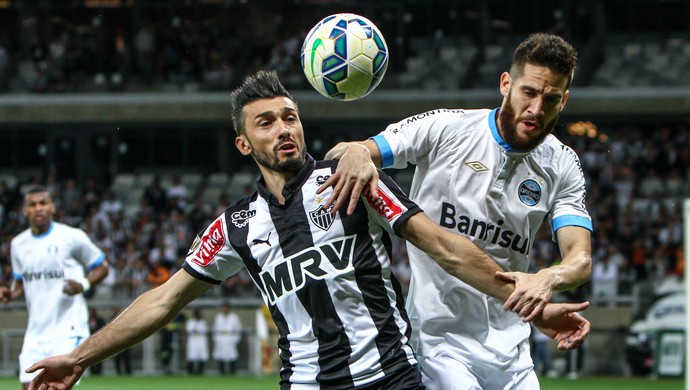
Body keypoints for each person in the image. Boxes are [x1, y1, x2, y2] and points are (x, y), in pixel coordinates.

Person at [25, 70, 589, 390]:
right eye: (265, 123)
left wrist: (536, 305)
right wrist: (80, 357)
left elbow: (446, 248)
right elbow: (163, 300)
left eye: (290, 116)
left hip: (393, 378)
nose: (284, 128)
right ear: (245, 145)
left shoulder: (352, 181)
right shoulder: (235, 228)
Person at [320, 32, 593, 389]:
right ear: (505, 84)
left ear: (564, 100)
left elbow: (580, 258)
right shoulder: (446, 128)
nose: (537, 109)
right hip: (438, 344)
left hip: (512, 351)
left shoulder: (562, 163)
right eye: (528, 92)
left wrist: (548, 278)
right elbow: (346, 155)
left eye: (551, 99)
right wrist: (356, 150)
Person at [0, 186, 109, 390]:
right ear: (25, 210)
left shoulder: (71, 236)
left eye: (43, 203)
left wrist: (84, 284)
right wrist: (9, 293)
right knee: (30, 386)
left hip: (68, 328)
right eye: (33, 205)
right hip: (35, 331)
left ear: (52, 207)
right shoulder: (17, 244)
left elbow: (102, 267)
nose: (38, 208)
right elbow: (20, 283)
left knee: (55, 387)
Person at [213, 302, 243, 375]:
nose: (225, 309)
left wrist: (234, 340)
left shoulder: (234, 317)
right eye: (223, 307)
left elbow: (238, 330)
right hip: (221, 340)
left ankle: (232, 373)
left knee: (232, 357)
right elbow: (215, 329)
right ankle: (222, 372)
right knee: (221, 357)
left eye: (226, 307)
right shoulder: (218, 317)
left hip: (230, 340)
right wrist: (217, 340)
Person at [185, 308, 210, 375]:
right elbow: (188, 330)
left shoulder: (203, 323)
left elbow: (205, 331)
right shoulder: (191, 322)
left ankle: (200, 371)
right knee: (191, 357)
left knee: (202, 356)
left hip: (201, 342)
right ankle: (191, 372)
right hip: (193, 342)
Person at [87, 308, 107, 376]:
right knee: (89, 357)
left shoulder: (100, 320)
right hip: (90, 342)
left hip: (98, 341)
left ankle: (98, 372)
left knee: (99, 357)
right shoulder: (88, 320)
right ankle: (92, 372)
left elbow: (104, 327)